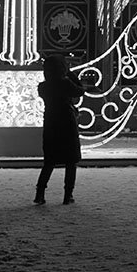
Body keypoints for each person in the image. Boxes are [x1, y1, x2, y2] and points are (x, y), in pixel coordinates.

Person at [35, 54, 85, 205]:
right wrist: (70, 75)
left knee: (49, 161)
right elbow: (80, 91)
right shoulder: (65, 83)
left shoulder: (43, 87)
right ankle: (67, 195)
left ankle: (40, 193)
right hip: (67, 121)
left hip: (51, 122)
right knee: (71, 161)